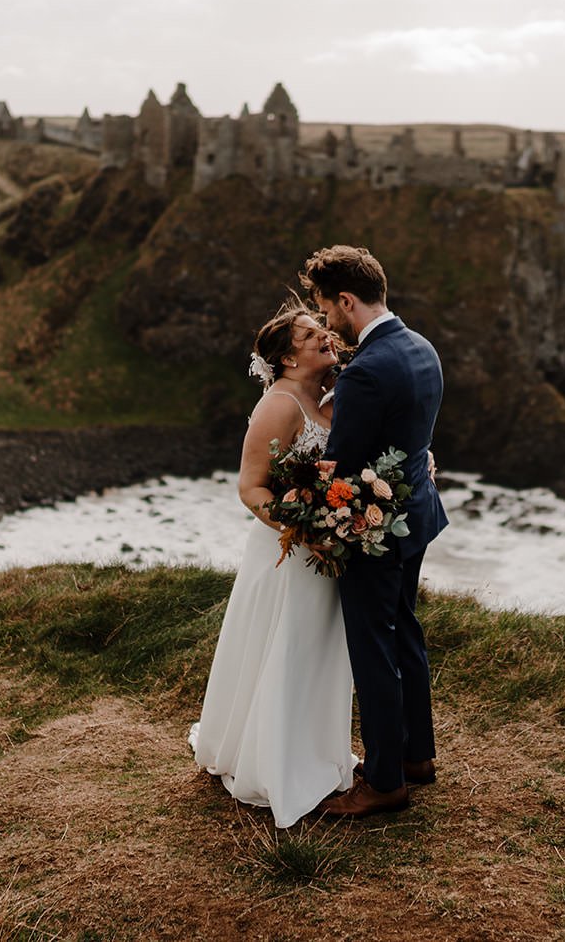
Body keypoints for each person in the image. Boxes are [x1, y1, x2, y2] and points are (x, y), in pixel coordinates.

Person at [188, 302, 356, 828]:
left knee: (317, 653)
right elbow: (251, 487)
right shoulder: (279, 405)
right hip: (289, 552)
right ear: (286, 358)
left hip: (325, 549)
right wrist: (303, 529)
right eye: (312, 335)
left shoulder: (327, 394)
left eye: (324, 329)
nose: (326, 337)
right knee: (286, 650)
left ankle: (314, 751)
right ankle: (274, 761)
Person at [302, 245, 449, 819]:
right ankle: (417, 755)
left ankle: (386, 780)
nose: (326, 323)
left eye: (327, 309)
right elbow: (411, 437)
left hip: (376, 533)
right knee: (405, 631)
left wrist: (301, 502)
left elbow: (340, 465)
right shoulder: (422, 348)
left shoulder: (365, 372)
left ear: (346, 300)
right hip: (418, 518)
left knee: (373, 649)